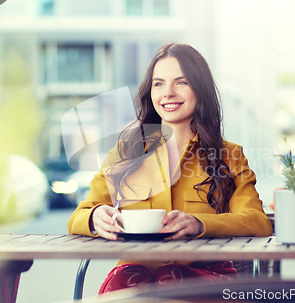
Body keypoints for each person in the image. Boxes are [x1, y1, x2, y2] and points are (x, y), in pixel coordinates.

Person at [67, 43, 273, 294]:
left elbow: (258, 223)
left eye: (181, 82)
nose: (168, 93)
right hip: (134, 279)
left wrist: (200, 224)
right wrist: (94, 217)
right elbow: (78, 216)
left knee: (170, 282)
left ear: (200, 89)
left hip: (207, 278)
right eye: (159, 84)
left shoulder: (230, 155)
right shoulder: (125, 152)